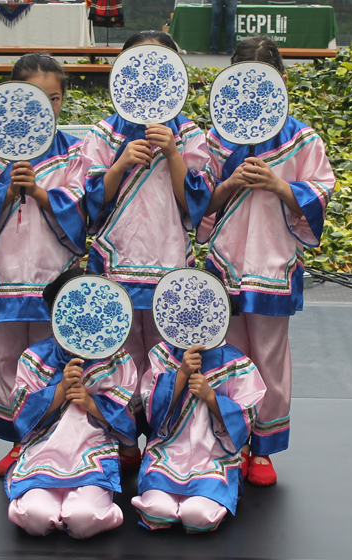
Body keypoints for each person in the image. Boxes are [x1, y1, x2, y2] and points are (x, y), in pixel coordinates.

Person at [201, 37, 336, 486]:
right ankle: (231, 441)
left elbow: (319, 189)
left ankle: (264, 449)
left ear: (281, 80)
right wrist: (231, 183)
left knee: (270, 359)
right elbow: (201, 202)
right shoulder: (214, 140)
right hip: (224, 264)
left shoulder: (300, 137)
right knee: (227, 357)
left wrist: (280, 186)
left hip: (273, 264)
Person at [81, 31, 214, 466]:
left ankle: (163, 441)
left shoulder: (189, 133)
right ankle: (122, 440)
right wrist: (120, 163)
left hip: (169, 260)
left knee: (167, 359)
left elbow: (193, 203)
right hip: (116, 260)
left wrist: (173, 152)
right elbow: (86, 201)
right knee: (118, 358)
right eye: (138, 63)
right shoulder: (105, 131)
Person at [0, 53, 86, 476]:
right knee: (6, 362)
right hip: (6, 275)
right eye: (34, 97)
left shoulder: (74, 150)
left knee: (53, 359)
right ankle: (18, 441)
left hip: (55, 277)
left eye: (54, 98)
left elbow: (82, 208)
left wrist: (42, 192)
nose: (46, 107)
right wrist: (6, 189)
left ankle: (53, 440)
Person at [5, 269, 137, 539]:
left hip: (91, 453)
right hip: (44, 452)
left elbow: (127, 420)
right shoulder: (34, 358)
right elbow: (21, 415)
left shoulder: (117, 360)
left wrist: (90, 403)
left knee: (84, 520)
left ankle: (83, 508)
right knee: (35, 518)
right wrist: (60, 389)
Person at [131, 336, 266, 533]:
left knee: (198, 517)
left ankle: (209, 494)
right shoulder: (163, 354)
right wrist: (180, 375)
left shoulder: (237, 363)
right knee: (157, 511)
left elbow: (246, 415)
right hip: (167, 454)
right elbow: (151, 406)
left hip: (213, 458)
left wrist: (211, 397)